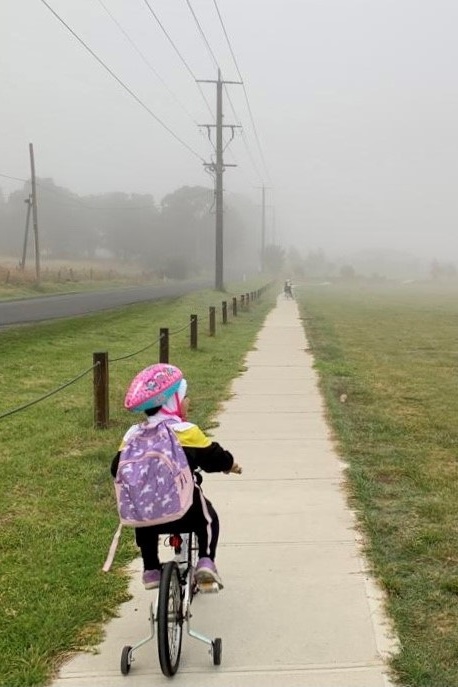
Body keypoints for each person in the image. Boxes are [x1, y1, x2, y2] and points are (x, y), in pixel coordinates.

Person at [111, 363, 242, 590]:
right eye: (185, 395)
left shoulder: (132, 435)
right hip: (184, 512)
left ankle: (151, 569)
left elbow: (117, 467)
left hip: (149, 519)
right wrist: (230, 465)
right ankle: (205, 561)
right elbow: (214, 457)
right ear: (174, 401)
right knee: (209, 518)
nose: (188, 400)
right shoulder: (186, 431)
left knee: (145, 513)